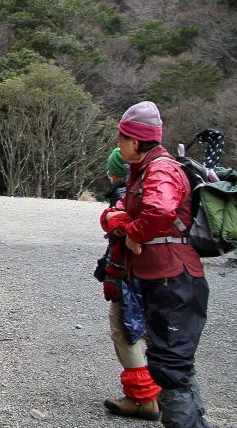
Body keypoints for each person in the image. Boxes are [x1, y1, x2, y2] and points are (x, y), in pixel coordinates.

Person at [101, 102, 213, 428]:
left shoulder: (161, 170)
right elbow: (116, 211)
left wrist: (134, 232)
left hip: (172, 280)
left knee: (169, 367)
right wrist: (120, 222)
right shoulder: (143, 171)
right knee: (174, 365)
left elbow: (160, 211)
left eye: (121, 140)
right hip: (164, 279)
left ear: (135, 141)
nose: (118, 147)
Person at [99, 147, 162, 420]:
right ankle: (157, 391)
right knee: (147, 330)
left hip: (131, 273)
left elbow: (124, 235)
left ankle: (142, 397)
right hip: (156, 272)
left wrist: (118, 222)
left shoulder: (125, 193)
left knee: (125, 330)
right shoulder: (147, 186)